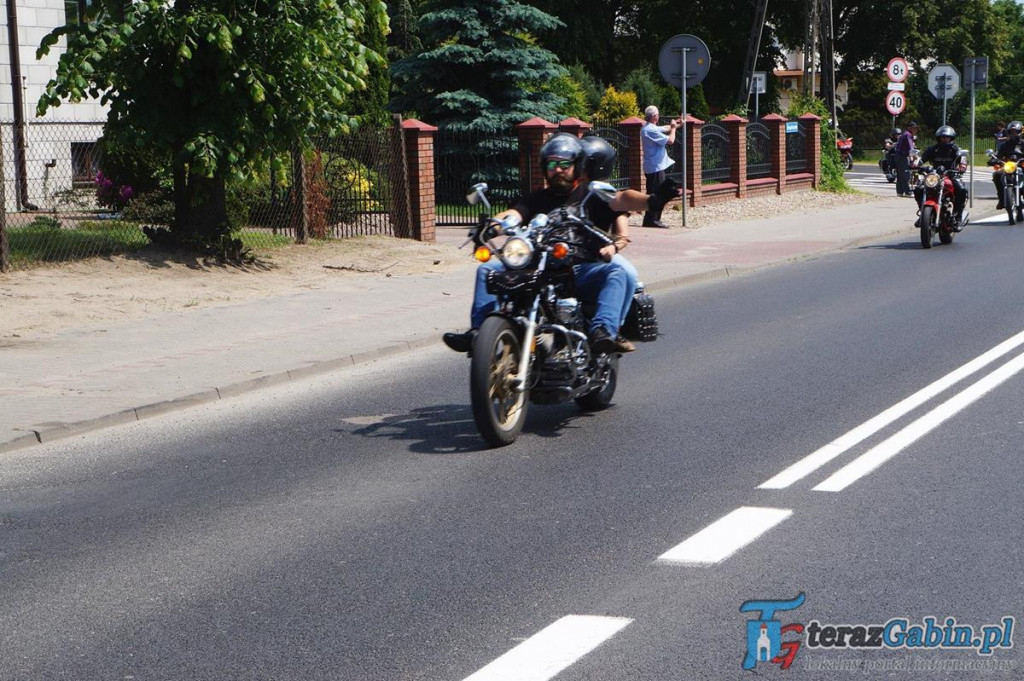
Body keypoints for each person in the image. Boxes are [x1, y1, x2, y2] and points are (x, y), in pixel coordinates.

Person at [442, 133, 633, 355]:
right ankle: (479, 331)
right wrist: (492, 226)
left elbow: (623, 204)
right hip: (539, 259)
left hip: (577, 262)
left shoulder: (593, 195)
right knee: (487, 269)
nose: (558, 169)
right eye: (552, 164)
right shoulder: (538, 197)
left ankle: (605, 330)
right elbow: (514, 214)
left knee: (620, 272)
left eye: (564, 164)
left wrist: (652, 202)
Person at [913, 125, 968, 229]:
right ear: (938, 138)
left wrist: (962, 167)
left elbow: (963, 160)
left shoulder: (956, 149)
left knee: (961, 190)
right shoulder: (933, 149)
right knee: (918, 189)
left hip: (951, 175)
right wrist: (916, 164)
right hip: (934, 176)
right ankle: (923, 213)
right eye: (942, 137)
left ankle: (958, 217)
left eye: (947, 137)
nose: (945, 139)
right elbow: (922, 159)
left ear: (951, 138)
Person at [641, 105, 678, 227]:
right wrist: (674, 129)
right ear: (655, 117)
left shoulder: (649, 128)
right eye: (658, 114)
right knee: (658, 195)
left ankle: (651, 219)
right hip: (655, 167)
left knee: (655, 193)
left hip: (655, 166)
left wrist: (678, 123)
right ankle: (653, 220)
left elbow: (665, 128)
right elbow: (671, 140)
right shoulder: (650, 130)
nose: (659, 116)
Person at [991, 120, 1023, 210]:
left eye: (1016, 131)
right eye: (1012, 132)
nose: (1014, 133)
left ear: (1020, 132)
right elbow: (998, 153)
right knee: (997, 174)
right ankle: (1002, 199)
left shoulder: (1023, 143)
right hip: (1009, 166)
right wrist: (993, 159)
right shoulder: (1005, 144)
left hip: (1022, 165)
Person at [894, 122, 917, 197]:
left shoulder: (905, 134)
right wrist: (914, 158)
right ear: (909, 127)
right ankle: (907, 192)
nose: (915, 130)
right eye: (913, 128)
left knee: (900, 174)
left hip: (898, 156)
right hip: (901, 156)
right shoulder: (908, 135)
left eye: (915, 128)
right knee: (905, 175)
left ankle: (900, 191)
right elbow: (911, 148)